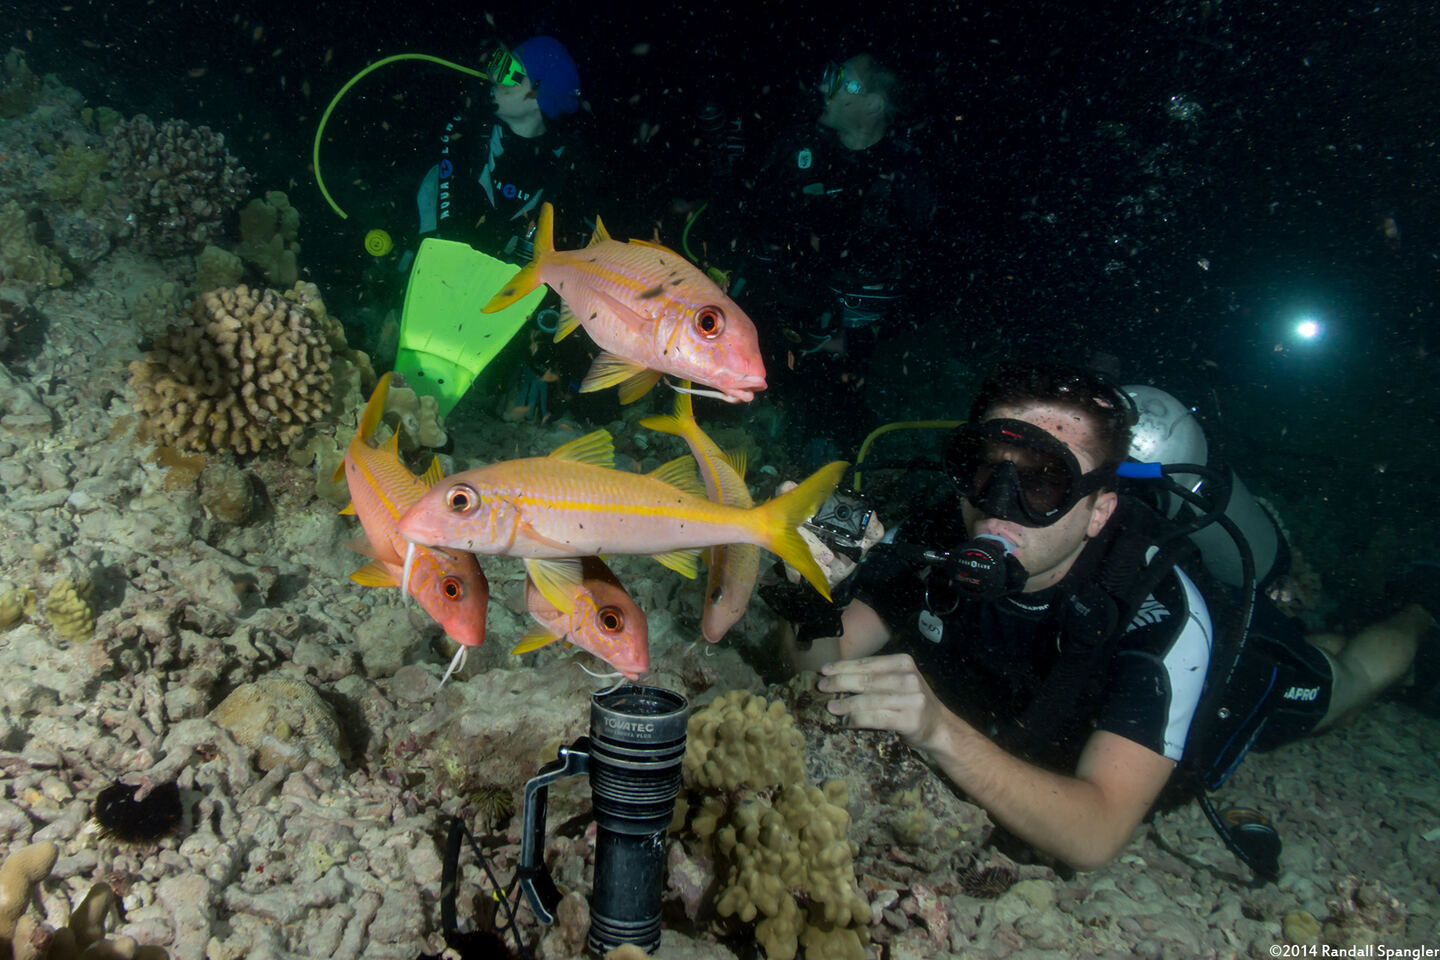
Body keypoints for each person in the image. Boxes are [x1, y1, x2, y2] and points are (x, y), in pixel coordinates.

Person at [779, 361, 1433, 872]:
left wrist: (939, 730)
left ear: (1099, 510)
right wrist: (809, 592)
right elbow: (816, 671)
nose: (999, 508)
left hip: (1230, 684)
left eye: (1042, 483)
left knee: (1338, 678)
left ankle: (1421, 611)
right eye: (986, 472)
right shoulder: (935, 538)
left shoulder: (1160, 611)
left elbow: (1096, 832)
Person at [694, 53, 936, 459]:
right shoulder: (797, 149)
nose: (825, 87)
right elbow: (749, 225)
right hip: (777, 326)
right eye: (829, 75)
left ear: (875, 103)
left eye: (842, 80)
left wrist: (855, 341)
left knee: (834, 448)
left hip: (852, 353)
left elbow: (929, 283)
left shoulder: (908, 176)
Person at [414, 35, 593, 262]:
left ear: (541, 95)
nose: (494, 76)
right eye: (498, 63)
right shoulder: (466, 130)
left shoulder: (565, 173)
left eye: (507, 69)